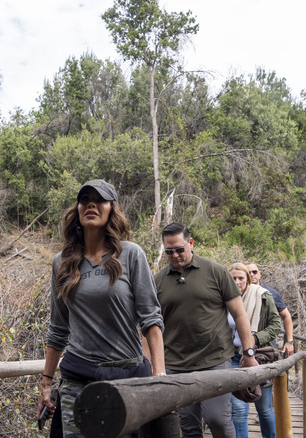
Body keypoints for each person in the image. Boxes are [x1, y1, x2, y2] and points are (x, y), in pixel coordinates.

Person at [37, 179, 166, 437]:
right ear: (77, 209)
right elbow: (58, 327)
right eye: (85, 200)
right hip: (77, 377)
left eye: (99, 200)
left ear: (111, 209)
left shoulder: (131, 254)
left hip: (126, 376)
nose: (91, 205)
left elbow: (151, 319)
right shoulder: (62, 262)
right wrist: (46, 382)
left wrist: (159, 373)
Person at [155, 223, 258, 438]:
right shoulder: (158, 280)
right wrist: (154, 365)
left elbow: (240, 314)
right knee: (188, 426)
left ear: (191, 243)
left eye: (179, 249)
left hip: (215, 359)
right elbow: (151, 324)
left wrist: (248, 353)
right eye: (169, 251)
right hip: (177, 364)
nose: (175, 255)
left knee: (217, 418)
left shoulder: (216, 271)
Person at [228, 263, 282, 438]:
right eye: (233, 278)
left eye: (241, 278)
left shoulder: (262, 295)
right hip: (232, 357)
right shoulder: (223, 299)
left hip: (258, 356)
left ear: (248, 279)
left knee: (264, 409)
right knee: (238, 410)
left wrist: (255, 339)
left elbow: (276, 325)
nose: (237, 282)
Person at [245, 262, 294, 357]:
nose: (251, 275)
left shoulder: (270, 294)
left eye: (254, 272)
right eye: (248, 272)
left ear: (259, 274)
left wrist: (289, 341)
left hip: (266, 346)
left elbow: (286, 315)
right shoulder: (239, 293)